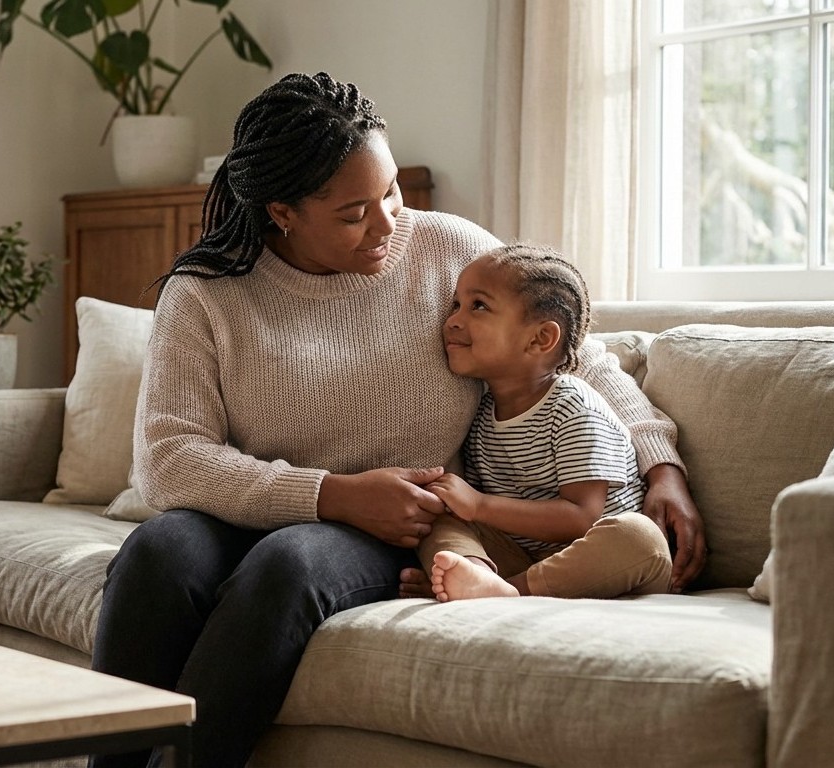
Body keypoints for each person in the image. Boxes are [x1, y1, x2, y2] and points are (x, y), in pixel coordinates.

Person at [90, 72, 706, 768]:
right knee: (157, 553)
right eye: (354, 212)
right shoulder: (205, 293)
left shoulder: (447, 249)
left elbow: (576, 358)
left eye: (390, 192)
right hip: (247, 506)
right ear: (282, 211)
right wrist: (330, 493)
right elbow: (169, 458)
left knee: (287, 564)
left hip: (397, 527)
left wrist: (661, 465)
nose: (388, 225)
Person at [421, 244, 672, 602]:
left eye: (478, 306)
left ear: (540, 338)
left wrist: (478, 504)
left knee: (639, 538)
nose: (452, 320)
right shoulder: (480, 412)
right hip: (527, 558)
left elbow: (581, 518)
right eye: (455, 305)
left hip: (604, 560)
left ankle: (509, 592)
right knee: (437, 517)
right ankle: (473, 575)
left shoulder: (573, 407)